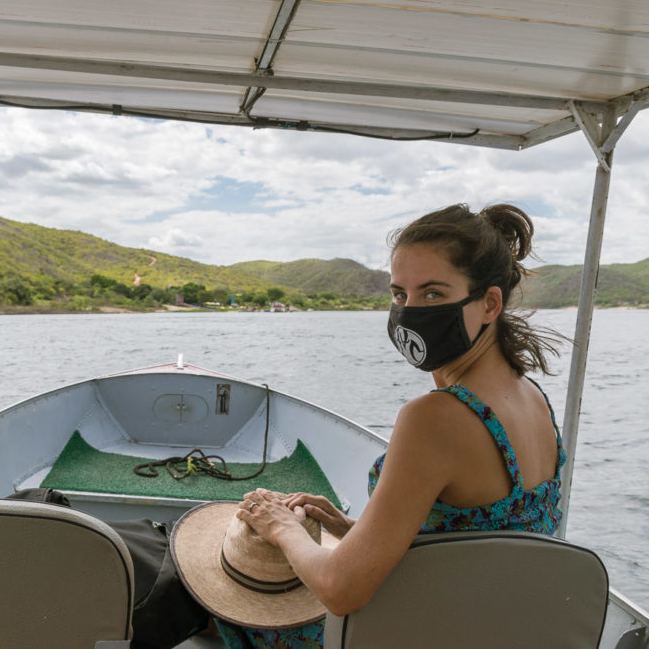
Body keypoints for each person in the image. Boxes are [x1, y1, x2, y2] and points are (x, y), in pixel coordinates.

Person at [214, 202, 567, 646]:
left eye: (433, 294)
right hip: (488, 626)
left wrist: (279, 527)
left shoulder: (436, 417)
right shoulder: (533, 398)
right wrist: (347, 526)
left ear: (490, 304)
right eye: (400, 295)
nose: (410, 311)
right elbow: (470, 542)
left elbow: (341, 592)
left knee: (225, 597)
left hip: (423, 632)